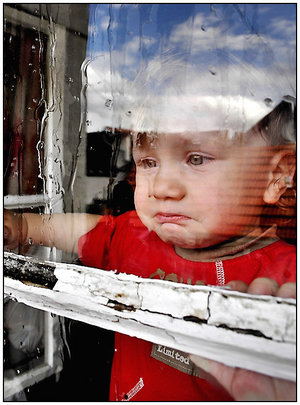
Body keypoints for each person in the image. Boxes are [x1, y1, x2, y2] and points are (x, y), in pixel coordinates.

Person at [4, 97, 296, 401]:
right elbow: (79, 229)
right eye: (148, 162)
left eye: (197, 159)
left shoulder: (287, 276)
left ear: (276, 175)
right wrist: (23, 228)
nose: (161, 188)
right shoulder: (137, 236)